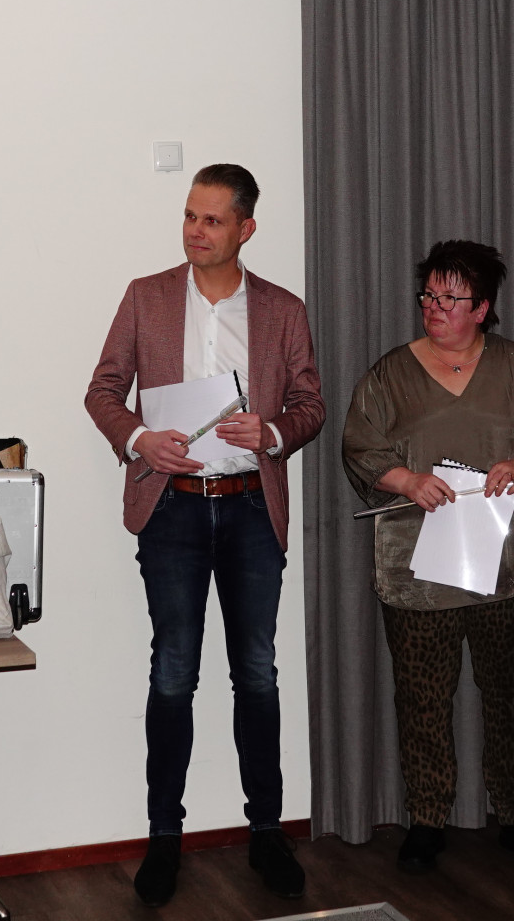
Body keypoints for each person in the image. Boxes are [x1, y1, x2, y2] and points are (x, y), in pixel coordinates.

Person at [84, 164, 326, 907]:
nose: (195, 231)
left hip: (251, 507)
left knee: (257, 673)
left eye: (212, 220)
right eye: (190, 215)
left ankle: (266, 832)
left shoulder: (282, 309)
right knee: (172, 673)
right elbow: (102, 390)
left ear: (246, 228)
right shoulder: (146, 296)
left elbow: (311, 404)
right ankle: (164, 836)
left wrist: (273, 432)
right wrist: (140, 441)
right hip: (173, 510)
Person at [342, 240, 514, 874]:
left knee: (512, 695)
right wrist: (406, 480)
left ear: (482, 308)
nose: (435, 307)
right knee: (422, 699)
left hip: (511, 564)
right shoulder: (390, 374)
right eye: (429, 294)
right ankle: (427, 820)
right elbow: (360, 448)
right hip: (419, 570)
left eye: (451, 298)